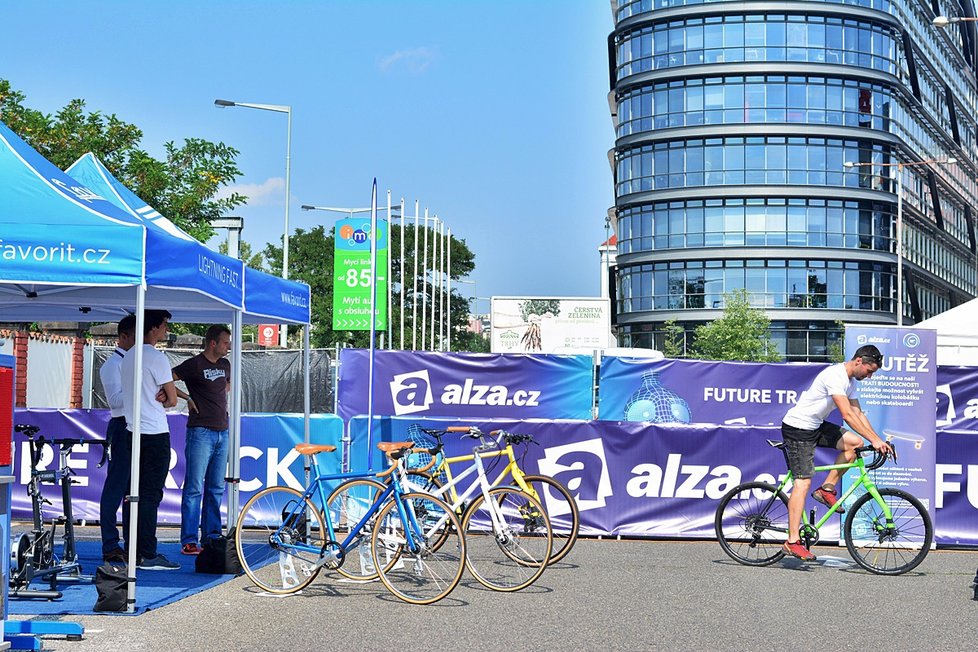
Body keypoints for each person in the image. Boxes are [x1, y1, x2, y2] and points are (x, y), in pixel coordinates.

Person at [780, 344, 893, 561]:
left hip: (815, 425)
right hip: (797, 428)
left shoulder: (850, 382)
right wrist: (876, 440)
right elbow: (847, 416)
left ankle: (826, 489)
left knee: (855, 443)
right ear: (858, 361)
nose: (869, 377)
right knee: (802, 483)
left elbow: (858, 414)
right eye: (869, 372)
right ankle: (792, 541)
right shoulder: (836, 375)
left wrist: (878, 440)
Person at [121, 309, 180, 570]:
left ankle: (133, 548)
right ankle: (147, 552)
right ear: (154, 328)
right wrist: (165, 396)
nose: (166, 330)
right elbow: (173, 399)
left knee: (134, 492)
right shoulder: (156, 358)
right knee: (150, 494)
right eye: (164, 325)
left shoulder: (129, 355)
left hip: (131, 430)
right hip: (154, 432)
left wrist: (164, 395)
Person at [171, 324, 231, 555]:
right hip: (200, 432)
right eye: (225, 342)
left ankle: (212, 535)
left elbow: (226, 387)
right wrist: (186, 397)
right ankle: (188, 539)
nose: (228, 347)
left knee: (216, 487)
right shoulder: (194, 364)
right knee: (194, 487)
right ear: (213, 343)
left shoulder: (225, 364)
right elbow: (167, 378)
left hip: (222, 431)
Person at [98, 314, 136, 563]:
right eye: (136, 336)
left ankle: (132, 541)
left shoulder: (133, 362)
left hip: (136, 425)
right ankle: (110, 543)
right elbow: (115, 402)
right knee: (116, 487)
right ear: (123, 336)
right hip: (122, 425)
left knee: (134, 489)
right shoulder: (113, 365)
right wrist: (144, 393)